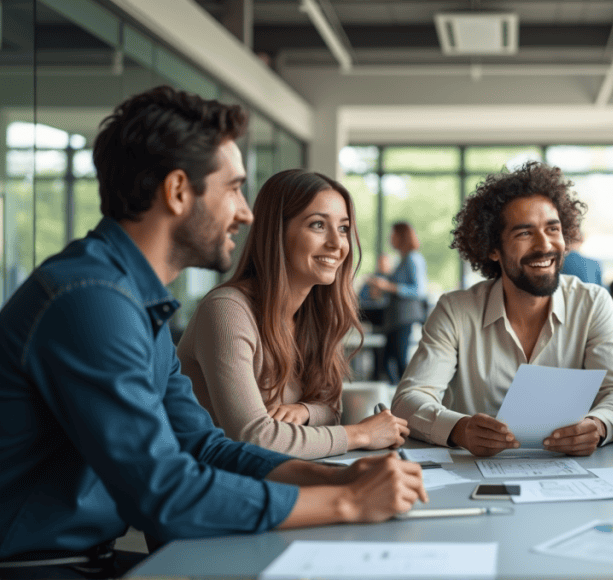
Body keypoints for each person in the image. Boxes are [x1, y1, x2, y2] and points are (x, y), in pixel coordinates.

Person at [0, 87, 426, 578]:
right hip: (36, 566)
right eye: (233, 189)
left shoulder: (137, 301)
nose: (245, 212)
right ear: (179, 191)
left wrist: (344, 474)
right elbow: (164, 492)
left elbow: (204, 446)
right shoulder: (91, 300)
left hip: (84, 559)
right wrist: (347, 501)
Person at [391, 161, 613, 457]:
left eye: (553, 229)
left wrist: (598, 426)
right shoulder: (455, 310)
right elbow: (408, 401)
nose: (544, 245)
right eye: (524, 233)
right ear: (493, 248)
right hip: (472, 476)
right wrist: (460, 429)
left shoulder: (592, 303)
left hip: (572, 473)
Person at [177, 170, 409, 460]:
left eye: (343, 228)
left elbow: (330, 409)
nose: (337, 244)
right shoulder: (226, 311)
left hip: (273, 479)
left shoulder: (316, 315)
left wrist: (305, 411)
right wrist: (361, 434)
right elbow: (254, 438)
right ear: (277, 233)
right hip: (212, 489)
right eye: (317, 225)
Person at [368, 222, 428, 384]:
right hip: (395, 318)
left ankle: (407, 396)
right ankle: (399, 395)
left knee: (399, 360)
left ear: (401, 236)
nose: (390, 238)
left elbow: (419, 290)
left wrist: (388, 286)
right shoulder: (402, 260)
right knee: (388, 359)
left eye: (393, 235)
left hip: (404, 318)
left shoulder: (413, 259)